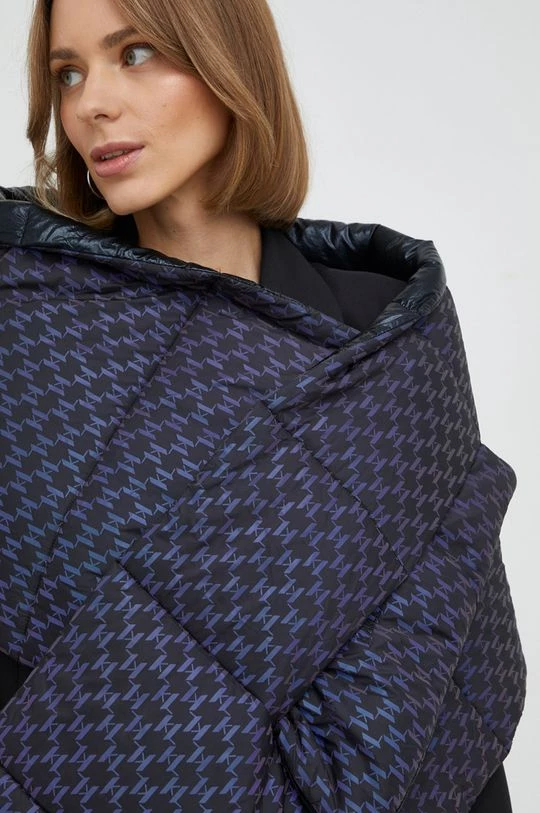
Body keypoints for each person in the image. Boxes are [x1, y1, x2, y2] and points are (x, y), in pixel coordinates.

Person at [0, 0, 526, 810]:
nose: (91, 103)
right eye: (67, 75)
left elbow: (447, 665)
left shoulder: (384, 329)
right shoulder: (29, 326)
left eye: (134, 54)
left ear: (229, 63)